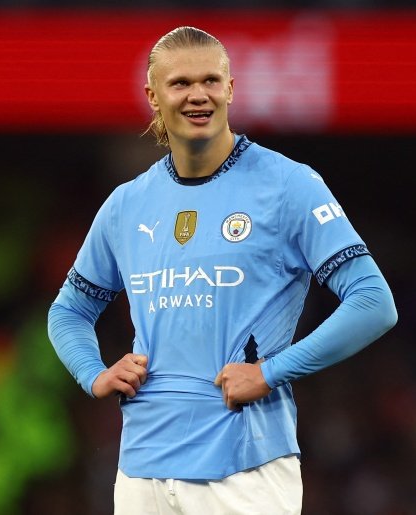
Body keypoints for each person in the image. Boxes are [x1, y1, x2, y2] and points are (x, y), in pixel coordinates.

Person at [47, 25, 397, 515]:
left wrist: (270, 373)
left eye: (211, 80)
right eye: (180, 83)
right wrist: (94, 373)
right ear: (153, 96)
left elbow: (373, 302)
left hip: (244, 469)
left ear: (230, 89)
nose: (199, 95)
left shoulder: (288, 185)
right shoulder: (126, 204)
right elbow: (69, 311)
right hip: (141, 472)